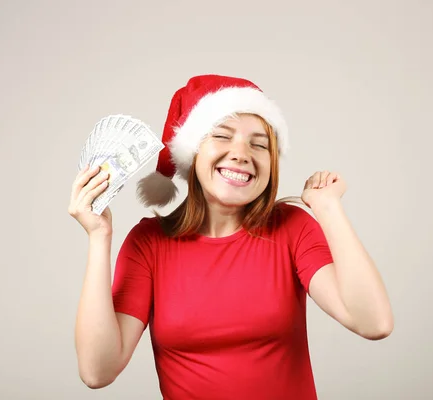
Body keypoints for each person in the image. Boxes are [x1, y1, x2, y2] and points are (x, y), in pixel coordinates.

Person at [68, 74, 394, 399]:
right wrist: (99, 237)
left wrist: (328, 208)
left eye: (259, 144)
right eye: (222, 137)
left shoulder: (292, 228)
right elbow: (98, 371)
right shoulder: (149, 243)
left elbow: (373, 322)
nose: (240, 153)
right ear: (193, 154)